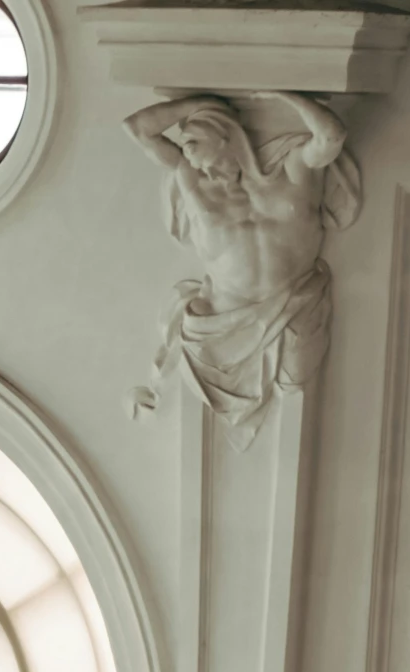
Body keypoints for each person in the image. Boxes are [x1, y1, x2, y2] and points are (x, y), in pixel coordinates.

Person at [126, 93, 360, 445]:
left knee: (298, 390)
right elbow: (138, 128)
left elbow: (331, 137)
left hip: (291, 309)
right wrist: (196, 105)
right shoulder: (193, 181)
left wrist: (285, 95)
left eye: (196, 148)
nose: (195, 163)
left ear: (226, 137)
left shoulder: (292, 172)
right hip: (219, 319)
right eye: (187, 152)